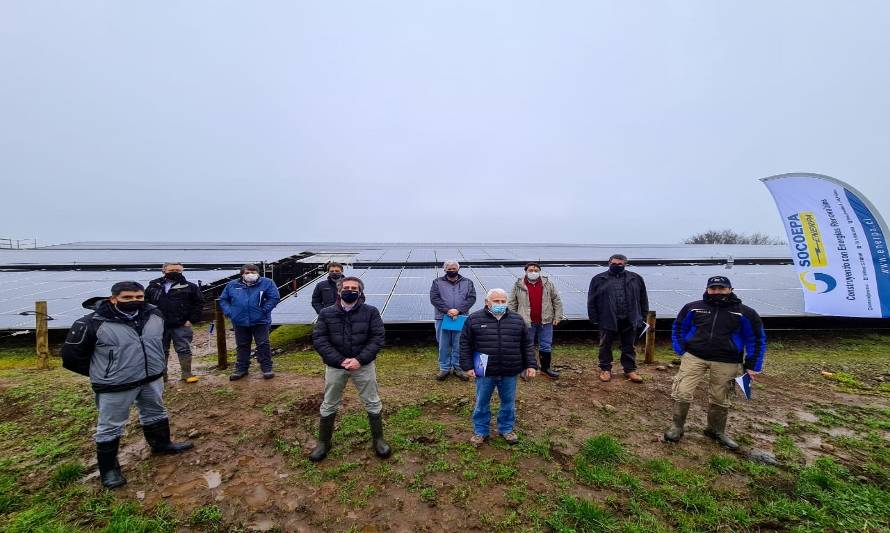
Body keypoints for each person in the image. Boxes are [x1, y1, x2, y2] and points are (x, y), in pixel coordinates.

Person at [61, 282, 194, 489]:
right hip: (115, 384)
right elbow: (71, 357)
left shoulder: (154, 315)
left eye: (138, 297)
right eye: (128, 298)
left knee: (155, 412)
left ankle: (161, 444)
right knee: (110, 425)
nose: (134, 301)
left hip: (151, 378)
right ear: (113, 299)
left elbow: (158, 342)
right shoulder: (91, 323)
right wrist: (107, 372)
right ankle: (109, 470)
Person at [665, 276, 766, 450]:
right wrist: (681, 349)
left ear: (730, 290)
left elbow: (755, 339)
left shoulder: (745, 313)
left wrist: (753, 366)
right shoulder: (693, 308)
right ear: (707, 289)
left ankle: (715, 430)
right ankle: (677, 427)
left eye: (721, 288)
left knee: (720, 397)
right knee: (682, 391)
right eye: (713, 288)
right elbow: (679, 327)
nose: (717, 292)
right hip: (694, 357)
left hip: (727, 361)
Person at [309, 276, 390, 462]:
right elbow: (320, 339)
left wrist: (360, 360)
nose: (350, 290)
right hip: (336, 366)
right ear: (339, 291)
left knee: (372, 401)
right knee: (329, 402)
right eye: (346, 287)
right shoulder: (326, 313)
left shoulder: (371, 312)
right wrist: (340, 360)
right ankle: (324, 443)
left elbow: (377, 338)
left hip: (363, 365)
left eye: (355, 288)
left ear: (360, 292)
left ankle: (378, 440)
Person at [460, 288, 537, 446]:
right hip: (483, 366)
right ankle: (480, 431)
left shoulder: (517, 320)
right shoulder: (473, 319)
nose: (500, 304)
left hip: (510, 368)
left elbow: (526, 344)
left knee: (508, 403)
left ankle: (506, 429)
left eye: (503, 301)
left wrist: (530, 365)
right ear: (487, 302)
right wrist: (467, 366)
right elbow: (465, 344)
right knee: (482, 402)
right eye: (496, 301)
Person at [587, 254, 649, 383]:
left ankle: (630, 370)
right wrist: (594, 317)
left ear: (625, 264)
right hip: (607, 318)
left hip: (630, 318)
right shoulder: (599, 279)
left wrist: (642, 316)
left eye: (620, 264)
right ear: (609, 262)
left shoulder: (636, 278)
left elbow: (643, 299)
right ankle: (605, 369)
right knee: (605, 345)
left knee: (629, 345)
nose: (617, 266)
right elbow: (591, 300)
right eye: (614, 263)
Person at [219, 264, 281, 380]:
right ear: (242, 274)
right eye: (247, 272)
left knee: (263, 344)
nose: (250, 274)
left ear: (258, 273)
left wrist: (264, 310)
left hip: (261, 320)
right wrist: (230, 312)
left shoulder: (267, 283)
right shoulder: (232, 285)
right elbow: (223, 299)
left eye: (253, 272)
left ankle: (266, 368)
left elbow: (274, 298)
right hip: (239, 321)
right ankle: (241, 369)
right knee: (242, 345)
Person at [145, 262, 204, 383]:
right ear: (164, 271)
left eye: (178, 270)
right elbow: (145, 303)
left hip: (181, 324)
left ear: (182, 271)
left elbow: (198, 303)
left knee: (184, 349)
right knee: (161, 350)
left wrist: (191, 319)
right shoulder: (153, 286)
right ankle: (162, 376)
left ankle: (187, 374)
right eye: (171, 270)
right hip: (158, 324)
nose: (175, 273)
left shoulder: (190, 286)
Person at [508, 262, 564, 379]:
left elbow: (556, 300)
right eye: (531, 270)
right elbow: (512, 303)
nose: (533, 272)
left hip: (546, 321)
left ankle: (545, 369)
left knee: (546, 345)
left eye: (536, 270)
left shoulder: (548, 284)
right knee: (527, 345)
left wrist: (557, 316)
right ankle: (526, 369)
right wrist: (513, 319)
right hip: (526, 322)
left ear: (539, 271)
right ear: (526, 271)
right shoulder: (518, 285)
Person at [429, 260, 477, 381]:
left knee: (459, 344)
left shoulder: (468, 282)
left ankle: (458, 368)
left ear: (458, 269)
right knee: (443, 344)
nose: (452, 270)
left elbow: (471, 298)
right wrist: (447, 310)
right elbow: (434, 298)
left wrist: (459, 310)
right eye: (449, 269)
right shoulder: (437, 282)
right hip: (443, 317)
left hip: (461, 317)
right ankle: (444, 368)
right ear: (444, 270)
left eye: (454, 268)